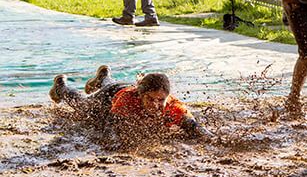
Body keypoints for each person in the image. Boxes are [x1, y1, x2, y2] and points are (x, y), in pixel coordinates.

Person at [49, 66, 206, 141]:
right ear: (140, 95)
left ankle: (103, 76)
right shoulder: (127, 100)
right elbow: (109, 130)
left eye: (161, 100)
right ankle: (61, 87)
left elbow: (197, 129)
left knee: (107, 85)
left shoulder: (174, 107)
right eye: (150, 99)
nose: (156, 105)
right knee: (84, 107)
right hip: (109, 96)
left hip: (123, 87)